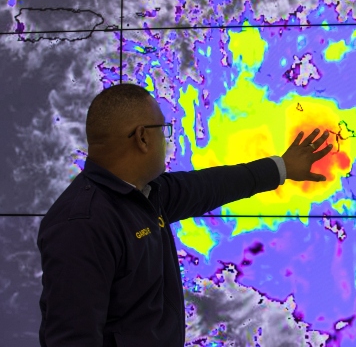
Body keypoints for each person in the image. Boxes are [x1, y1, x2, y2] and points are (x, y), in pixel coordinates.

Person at [37, 83, 333, 347]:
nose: (168, 141)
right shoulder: (82, 226)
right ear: (142, 138)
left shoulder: (146, 195)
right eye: (163, 130)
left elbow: (210, 186)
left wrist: (281, 167)